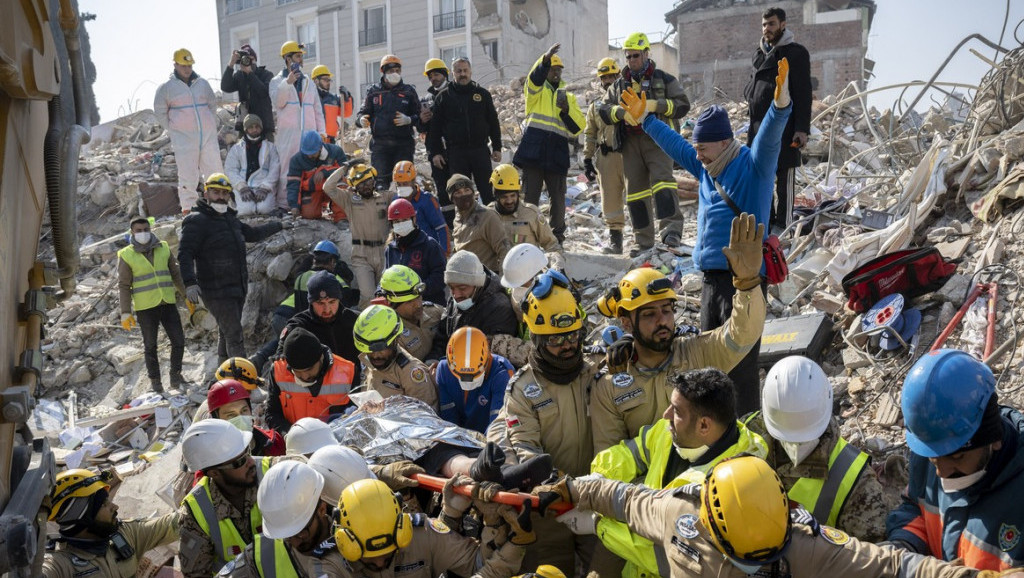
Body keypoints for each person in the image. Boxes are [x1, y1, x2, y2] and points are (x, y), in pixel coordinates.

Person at [619, 56, 794, 415]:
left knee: (740, 364)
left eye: (702, 148)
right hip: (712, 281)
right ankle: (710, 427)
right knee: (709, 366)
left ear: (724, 142)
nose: (696, 155)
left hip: (743, 281)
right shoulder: (706, 169)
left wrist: (780, 107)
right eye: (696, 149)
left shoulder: (753, 166)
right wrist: (646, 119)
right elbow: (675, 146)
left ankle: (744, 427)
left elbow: (770, 139)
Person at [533, 455, 1012, 578]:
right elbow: (622, 497)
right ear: (711, 530)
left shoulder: (805, 545)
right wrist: (573, 488)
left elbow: (893, 566)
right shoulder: (679, 516)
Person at [590, 214, 767, 453]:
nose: (662, 321)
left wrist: (747, 284)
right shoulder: (610, 382)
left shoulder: (697, 352)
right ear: (626, 323)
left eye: (667, 310)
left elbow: (742, 335)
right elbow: (609, 458)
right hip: (646, 477)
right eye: (649, 314)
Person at [590, 368, 768, 578]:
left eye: (676, 411)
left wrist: (598, 524)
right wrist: (599, 477)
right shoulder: (669, 432)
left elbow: (666, 553)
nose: (666, 415)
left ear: (704, 425)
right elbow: (632, 453)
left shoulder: (729, 486)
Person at [495, 275, 600, 575]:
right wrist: (557, 483)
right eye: (555, 339)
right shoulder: (522, 389)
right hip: (549, 506)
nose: (567, 345)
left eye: (572, 336)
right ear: (537, 339)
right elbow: (525, 447)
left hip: (596, 501)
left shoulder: (596, 372)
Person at [887, 349, 1024, 570]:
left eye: (957, 457)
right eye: (933, 458)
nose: (941, 472)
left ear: (994, 439)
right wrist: (905, 545)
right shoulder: (932, 444)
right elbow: (914, 507)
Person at [745, 356, 888, 543]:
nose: (795, 447)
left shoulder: (856, 481)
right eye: (787, 437)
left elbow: (870, 554)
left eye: (804, 439)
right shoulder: (746, 433)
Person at [598, 32, 690, 255]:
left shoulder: (663, 79)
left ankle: (671, 232)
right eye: (628, 56)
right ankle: (643, 240)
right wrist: (620, 113)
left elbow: (682, 104)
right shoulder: (619, 85)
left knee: (663, 183)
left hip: (658, 139)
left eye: (636, 55)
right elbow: (603, 109)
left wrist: (655, 105)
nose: (631, 60)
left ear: (646, 54)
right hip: (630, 142)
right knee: (635, 193)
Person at [178, 173, 285, 362]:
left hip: (237, 287)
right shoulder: (197, 220)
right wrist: (189, 282)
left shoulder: (230, 219)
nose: (220, 197)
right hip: (215, 290)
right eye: (216, 192)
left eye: (224, 193)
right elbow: (185, 253)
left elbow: (252, 234)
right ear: (206, 193)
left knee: (226, 331)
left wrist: (278, 225)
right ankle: (241, 375)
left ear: (229, 195)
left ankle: (223, 370)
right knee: (235, 334)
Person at [334, 478, 527, 577]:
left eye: (387, 556)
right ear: (344, 542)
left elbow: (478, 564)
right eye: (370, 559)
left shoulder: (423, 533)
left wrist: (494, 526)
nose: (379, 564)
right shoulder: (330, 562)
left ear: (402, 528)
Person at [217, 462, 349, 577]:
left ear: (321, 509)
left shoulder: (354, 535)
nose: (295, 542)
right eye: (287, 536)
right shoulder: (261, 554)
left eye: (301, 533)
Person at [178, 420, 274, 577]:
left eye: (248, 451)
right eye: (240, 461)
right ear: (214, 473)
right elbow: (196, 574)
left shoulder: (274, 473)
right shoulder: (196, 511)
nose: (251, 462)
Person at [744, 7, 812, 231]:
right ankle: (767, 223)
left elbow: (803, 93)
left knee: (784, 178)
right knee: (762, 178)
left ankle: (784, 227)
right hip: (758, 128)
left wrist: (801, 129)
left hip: (785, 127)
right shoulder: (758, 54)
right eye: (764, 25)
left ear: (783, 25)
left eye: (771, 24)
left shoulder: (795, 53)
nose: (767, 29)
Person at [42, 468, 177, 578]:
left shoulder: (125, 533)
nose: (115, 507)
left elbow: (174, 524)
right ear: (84, 517)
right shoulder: (61, 565)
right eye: (103, 504)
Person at [512, 43, 584, 244]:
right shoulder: (536, 91)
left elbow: (579, 127)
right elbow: (534, 80)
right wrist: (545, 60)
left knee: (558, 198)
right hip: (534, 150)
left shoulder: (568, 97)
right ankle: (526, 238)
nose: (556, 73)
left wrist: (566, 111)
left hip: (557, 153)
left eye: (559, 69)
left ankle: (556, 237)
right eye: (552, 69)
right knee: (530, 198)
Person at [117, 216, 188, 393]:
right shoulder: (126, 255)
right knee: (150, 346)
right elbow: (124, 285)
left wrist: (186, 295)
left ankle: (175, 375)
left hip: (167, 302)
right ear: (132, 232)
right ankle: (156, 382)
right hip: (145, 307)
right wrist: (125, 311)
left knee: (178, 341)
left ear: (151, 230)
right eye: (138, 231)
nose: (143, 233)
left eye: (146, 230)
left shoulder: (163, 247)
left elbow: (175, 274)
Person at [154, 48, 223, 212]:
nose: (187, 69)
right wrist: (176, 129)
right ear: (175, 65)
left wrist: (208, 124)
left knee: (215, 170)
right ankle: (189, 210)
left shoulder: (202, 84)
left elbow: (212, 106)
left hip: (207, 137)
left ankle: (219, 206)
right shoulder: (166, 88)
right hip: (184, 139)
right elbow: (160, 113)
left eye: (189, 66)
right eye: (183, 66)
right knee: (188, 174)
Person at [427, 57, 503, 205]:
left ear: (470, 71)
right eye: (459, 71)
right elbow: (435, 128)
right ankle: (465, 220)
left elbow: (493, 122)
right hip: (456, 153)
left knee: (488, 192)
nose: (462, 74)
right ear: (453, 73)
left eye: (465, 70)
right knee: (461, 195)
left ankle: (491, 218)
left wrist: (497, 147)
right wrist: (436, 152)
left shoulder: (482, 94)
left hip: (480, 151)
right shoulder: (443, 97)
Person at [323, 163, 395, 308]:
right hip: (361, 255)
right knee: (368, 296)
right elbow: (328, 187)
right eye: (361, 184)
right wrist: (344, 168)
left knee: (386, 294)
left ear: (374, 180)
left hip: (384, 252)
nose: (366, 186)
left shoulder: (386, 197)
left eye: (368, 182)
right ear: (354, 186)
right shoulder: (349, 199)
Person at [428, 250, 518, 362]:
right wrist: (434, 360)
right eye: (451, 288)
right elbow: (442, 337)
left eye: (462, 288)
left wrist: (446, 365)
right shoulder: (457, 297)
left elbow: (493, 356)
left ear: (477, 285)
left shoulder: (499, 307)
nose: (456, 295)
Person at [264, 327, 356, 435]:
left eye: (309, 369)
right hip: (294, 441)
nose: (305, 376)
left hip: (334, 440)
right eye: (297, 371)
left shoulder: (348, 372)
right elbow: (272, 413)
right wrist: (290, 435)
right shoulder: (278, 371)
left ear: (321, 358)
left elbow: (354, 415)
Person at [276, 271, 362, 385]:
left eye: (332, 302)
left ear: (339, 299)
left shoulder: (355, 320)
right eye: (320, 303)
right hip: (319, 389)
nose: (327, 309)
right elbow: (285, 346)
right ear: (311, 302)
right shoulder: (301, 323)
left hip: (355, 385)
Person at [270, 40, 325, 210]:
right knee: (287, 168)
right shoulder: (277, 81)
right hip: (289, 135)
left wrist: (321, 132)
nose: (301, 60)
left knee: (310, 167)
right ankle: (285, 204)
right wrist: (287, 83)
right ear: (288, 59)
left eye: (301, 56)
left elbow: (317, 108)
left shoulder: (308, 81)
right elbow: (278, 103)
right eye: (297, 56)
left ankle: (308, 205)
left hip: (309, 134)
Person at [354, 304, 439, 410]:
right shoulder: (367, 361)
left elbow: (428, 413)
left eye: (381, 349)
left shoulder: (410, 372)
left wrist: (387, 410)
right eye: (369, 351)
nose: (375, 355)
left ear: (396, 339)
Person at [357, 54, 422, 189]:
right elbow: (363, 113)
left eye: (397, 71)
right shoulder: (373, 91)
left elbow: (419, 115)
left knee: (404, 182)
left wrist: (409, 119)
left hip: (403, 145)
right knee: (380, 183)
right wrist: (361, 120)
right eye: (391, 71)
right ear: (383, 72)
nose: (395, 74)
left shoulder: (409, 91)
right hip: (380, 146)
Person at [583, 58, 627, 254]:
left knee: (637, 198)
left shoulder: (629, 100)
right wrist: (587, 159)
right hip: (606, 157)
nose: (608, 81)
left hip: (628, 155)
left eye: (611, 76)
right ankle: (616, 242)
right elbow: (590, 134)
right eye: (604, 78)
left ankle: (643, 240)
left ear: (618, 76)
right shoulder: (596, 106)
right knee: (610, 200)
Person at [436, 326, 513, 434]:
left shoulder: (503, 373)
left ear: (487, 358)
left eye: (474, 374)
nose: (467, 381)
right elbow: (448, 415)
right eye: (461, 375)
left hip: (490, 436)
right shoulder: (444, 370)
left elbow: (498, 423)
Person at [386, 197, 447, 305]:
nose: (401, 224)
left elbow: (441, 276)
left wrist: (419, 289)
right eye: (396, 221)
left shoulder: (429, 245)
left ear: (413, 219)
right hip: (401, 305)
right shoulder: (391, 249)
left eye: (404, 220)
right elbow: (386, 276)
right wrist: (379, 291)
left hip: (428, 303)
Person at [379, 265, 446, 362]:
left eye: (418, 297)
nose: (418, 305)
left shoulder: (434, 312)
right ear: (392, 304)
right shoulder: (392, 337)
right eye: (409, 302)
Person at [489, 164, 561, 252]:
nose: (509, 201)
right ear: (496, 196)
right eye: (504, 197)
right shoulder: (487, 215)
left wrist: (556, 260)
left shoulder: (531, 214)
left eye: (513, 196)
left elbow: (552, 245)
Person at [207, 379, 285, 457]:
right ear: (217, 419)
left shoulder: (275, 443)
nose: (240, 418)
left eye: (244, 410)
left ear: (250, 410)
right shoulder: (211, 457)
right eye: (231, 415)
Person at [449, 174, 510, 273]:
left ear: (473, 193)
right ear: (452, 198)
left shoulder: (487, 216)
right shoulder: (458, 219)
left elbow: (504, 250)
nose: (464, 195)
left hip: (487, 277)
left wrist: (503, 279)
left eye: (467, 190)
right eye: (458, 193)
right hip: (465, 277)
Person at [421, 58, 455, 225]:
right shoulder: (426, 99)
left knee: (459, 185)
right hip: (435, 151)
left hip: (456, 149)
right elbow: (422, 128)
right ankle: (449, 225)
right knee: (442, 189)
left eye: (436, 74)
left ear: (444, 74)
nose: (433, 78)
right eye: (430, 76)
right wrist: (422, 119)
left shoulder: (454, 92)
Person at [224, 114, 280, 215]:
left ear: (261, 128)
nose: (254, 130)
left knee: (264, 209)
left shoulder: (270, 147)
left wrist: (265, 188)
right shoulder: (236, 148)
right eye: (251, 127)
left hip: (263, 187)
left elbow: (275, 169)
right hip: (244, 187)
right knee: (246, 210)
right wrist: (242, 187)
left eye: (257, 127)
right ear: (246, 129)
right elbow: (230, 170)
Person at [287, 130, 348, 220]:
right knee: (309, 214)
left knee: (342, 182)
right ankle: (320, 207)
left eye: (313, 153)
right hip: (313, 191)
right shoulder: (296, 160)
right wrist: (294, 206)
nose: (309, 156)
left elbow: (345, 171)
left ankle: (340, 216)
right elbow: (293, 185)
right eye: (307, 153)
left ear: (320, 147)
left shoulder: (335, 151)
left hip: (333, 189)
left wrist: (325, 172)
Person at [392, 160, 451, 254]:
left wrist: (444, 252)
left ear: (413, 181)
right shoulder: (395, 201)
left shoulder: (427, 200)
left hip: (428, 251)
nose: (401, 187)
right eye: (398, 184)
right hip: (407, 252)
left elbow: (441, 227)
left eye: (405, 183)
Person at [221, 44, 275, 139]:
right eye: (244, 59)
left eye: (249, 59)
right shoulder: (239, 76)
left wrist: (250, 73)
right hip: (245, 128)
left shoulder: (266, 74)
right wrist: (231, 64)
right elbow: (225, 87)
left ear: (254, 59)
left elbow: (264, 93)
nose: (246, 61)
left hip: (264, 128)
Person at [312, 64, 342, 144]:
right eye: (325, 80)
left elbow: (346, 113)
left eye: (329, 80)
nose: (328, 82)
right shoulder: (309, 98)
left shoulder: (333, 98)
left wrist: (347, 98)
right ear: (316, 81)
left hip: (331, 140)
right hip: (315, 140)